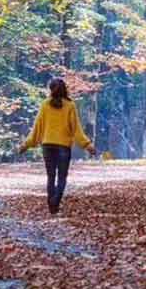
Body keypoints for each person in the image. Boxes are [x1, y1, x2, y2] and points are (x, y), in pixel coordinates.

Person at [17, 77, 97, 214]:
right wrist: (87, 145)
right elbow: (76, 130)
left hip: (47, 145)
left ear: (51, 89)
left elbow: (37, 129)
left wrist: (26, 145)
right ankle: (56, 202)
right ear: (65, 89)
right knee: (61, 177)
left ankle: (51, 205)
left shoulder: (45, 104)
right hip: (63, 147)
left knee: (51, 176)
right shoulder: (70, 105)